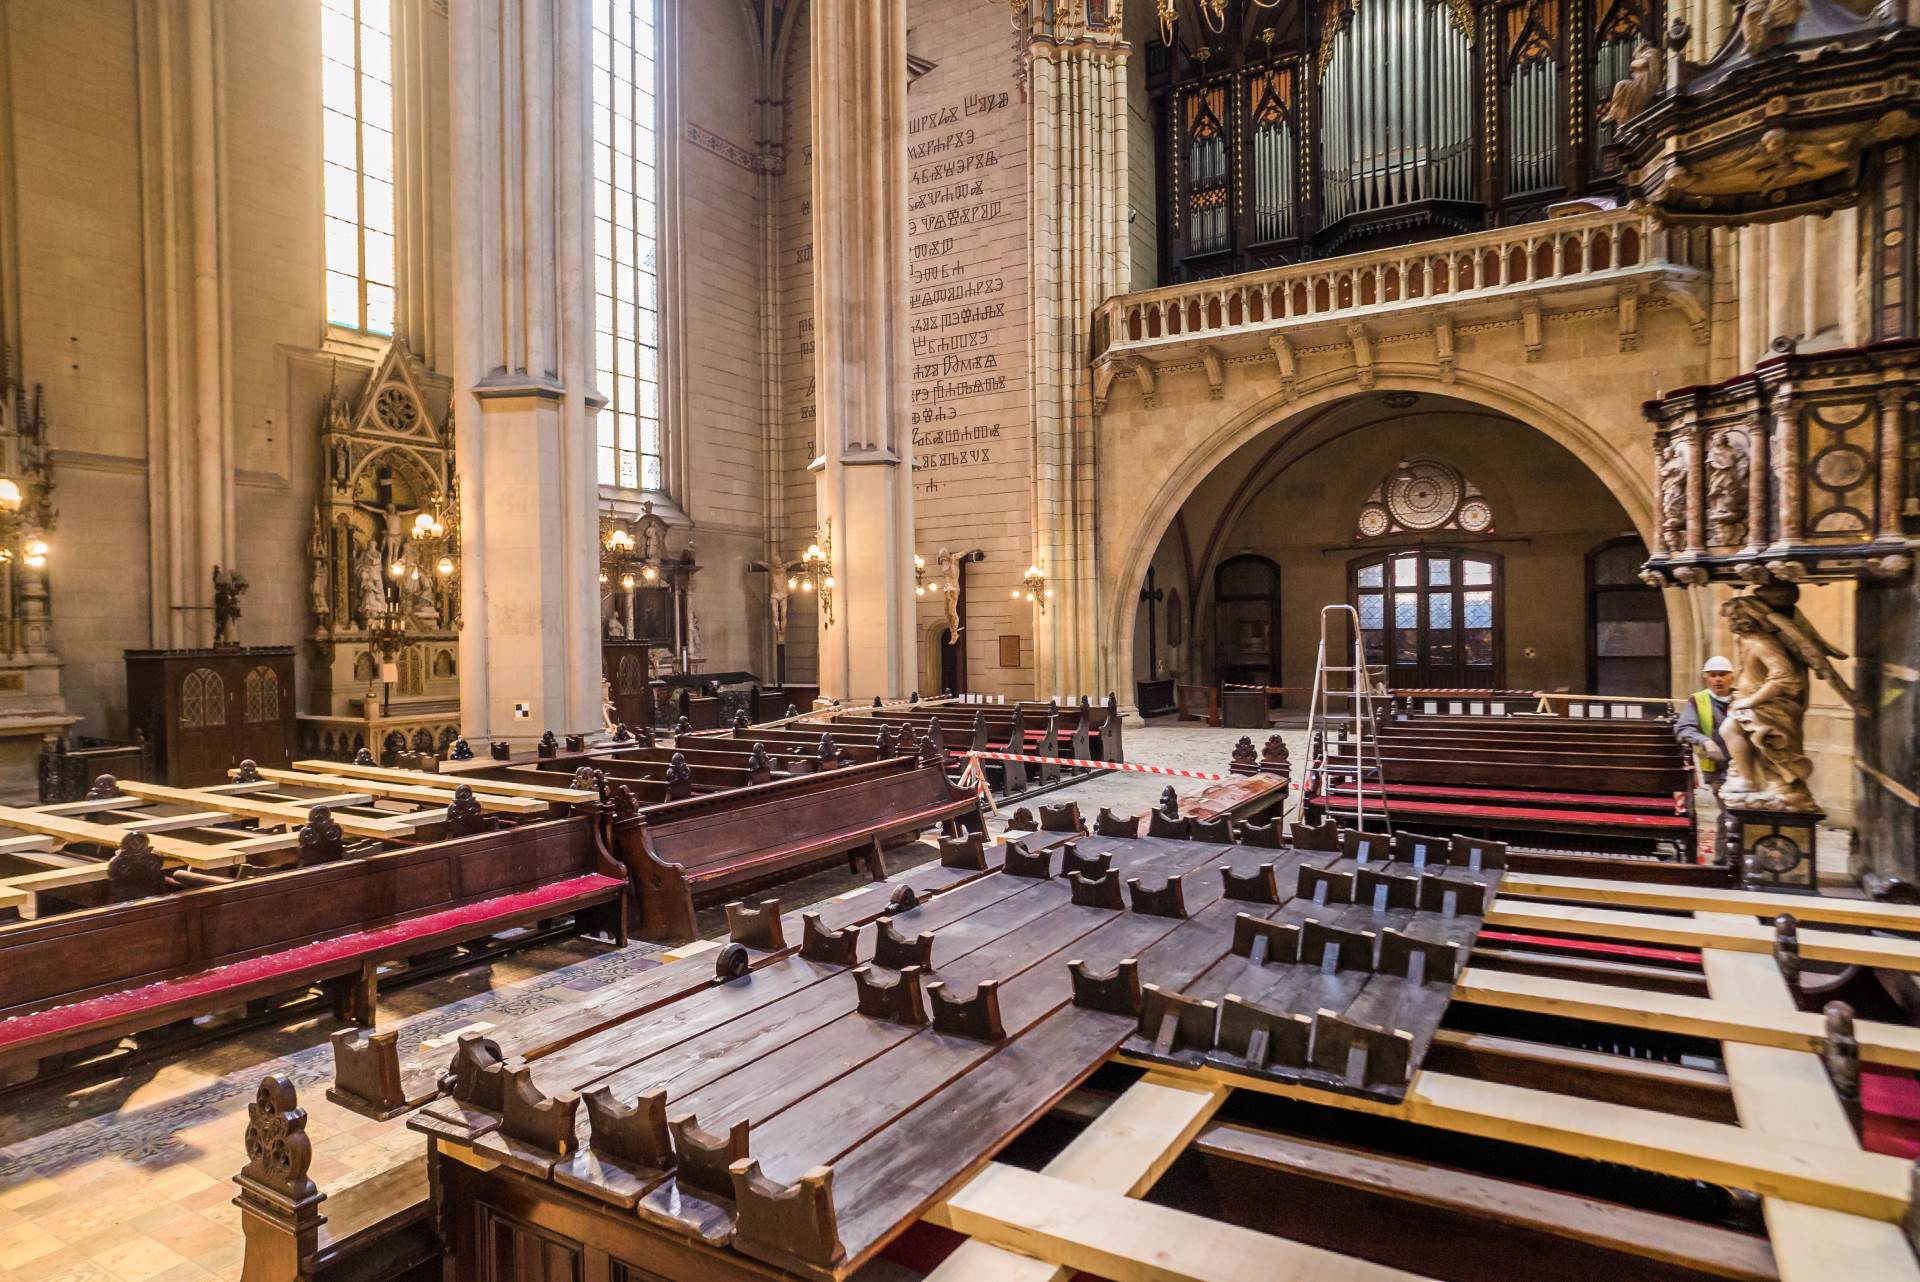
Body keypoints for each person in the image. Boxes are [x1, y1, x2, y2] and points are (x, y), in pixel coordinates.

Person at [1675, 655, 1734, 794]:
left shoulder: (1743, 698)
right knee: (1727, 807)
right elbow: (1683, 728)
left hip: (1744, 766)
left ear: (1732, 677)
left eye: (1723, 674)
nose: (1718, 679)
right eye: (1712, 675)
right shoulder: (1698, 700)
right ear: (1706, 678)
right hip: (1716, 766)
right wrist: (1706, 741)